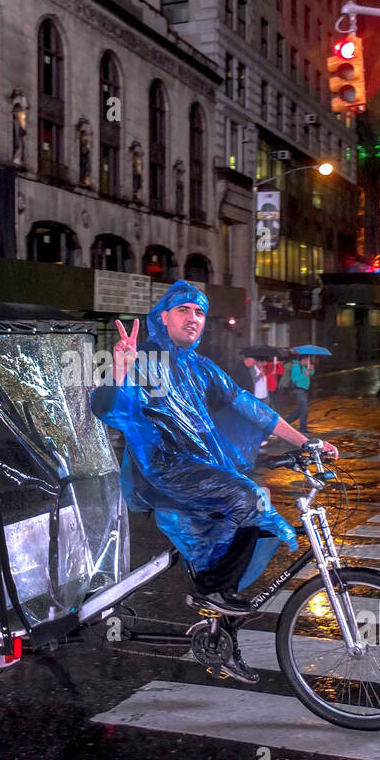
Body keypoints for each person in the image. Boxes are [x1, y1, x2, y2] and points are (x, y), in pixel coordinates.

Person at [89, 281, 338, 685]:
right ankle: (209, 589)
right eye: (184, 309)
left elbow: (249, 406)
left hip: (201, 470)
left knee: (253, 521)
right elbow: (104, 407)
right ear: (164, 316)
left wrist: (306, 441)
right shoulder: (147, 358)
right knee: (250, 499)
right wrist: (120, 368)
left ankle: (220, 636)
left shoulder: (200, 366)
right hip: (165, 471)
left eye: (200, 312)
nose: (193, 318)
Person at [288, 354, 313, 433]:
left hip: (303, 390)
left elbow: (309, 375)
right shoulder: (296, 366)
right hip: (299, 390)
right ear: (303, 360)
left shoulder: (303, 366)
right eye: (308, 360)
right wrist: (305, 374)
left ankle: (286, 422)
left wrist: (311, 370)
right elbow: (294, 379)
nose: (309, 362)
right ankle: (302, 428)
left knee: (301, 410)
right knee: (304, 410)